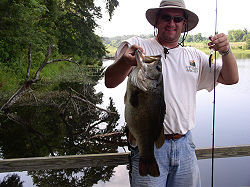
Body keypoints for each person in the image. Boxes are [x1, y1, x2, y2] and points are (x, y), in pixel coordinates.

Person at [105, 0, 239, 186]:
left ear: (184, 24)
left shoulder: (195, 56)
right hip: (148, 143)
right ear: (157, 21)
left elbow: (231, 78)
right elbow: (110, 81)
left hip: (185, 147)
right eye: (166, 17)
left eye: (177, 19)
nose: (171, 23)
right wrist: (126, 62)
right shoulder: (137, 46)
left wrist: (226, 51)